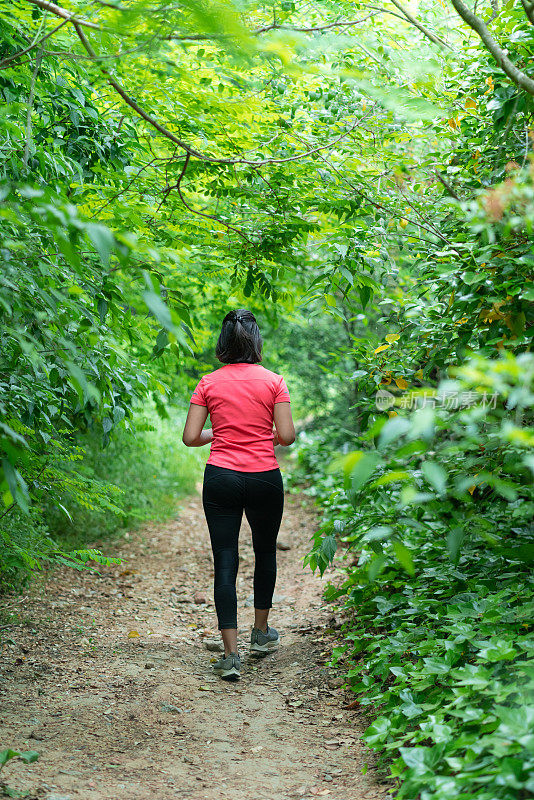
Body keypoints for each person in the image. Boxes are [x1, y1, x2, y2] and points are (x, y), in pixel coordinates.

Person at [182, 309, 295, 681]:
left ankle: (231, 656)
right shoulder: (275, 381)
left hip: (222, 477)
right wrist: (266, 435)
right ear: (257, 340)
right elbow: (287, 436)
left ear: (223, 342)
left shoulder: (208, 383)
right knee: (264, 552)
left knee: (225, 559)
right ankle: (260, 635)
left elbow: (191, 438)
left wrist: (222, 433)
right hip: (264, 476)